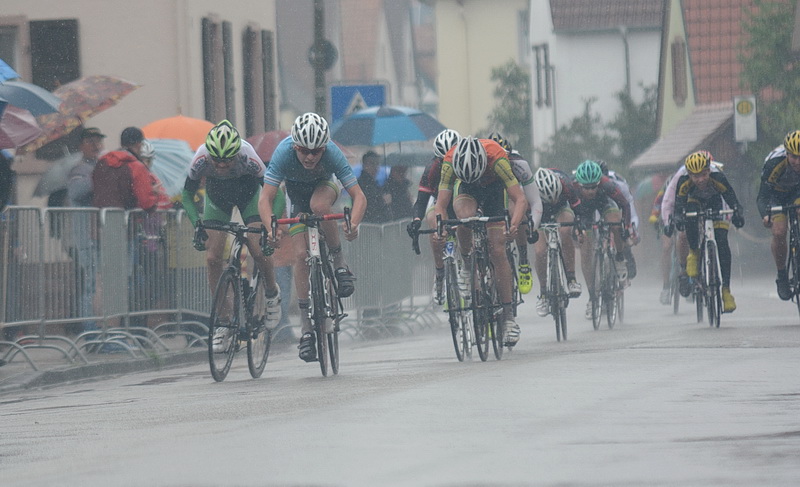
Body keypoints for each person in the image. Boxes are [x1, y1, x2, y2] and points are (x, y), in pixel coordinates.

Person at [258, 112, 366, 363]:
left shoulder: (332, 153)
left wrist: (353, 224)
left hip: (324, 187)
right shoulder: (283, 153)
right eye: (304, 151)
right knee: (300, 255)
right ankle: (306, 328)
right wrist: (270, 229)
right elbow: (265, 199)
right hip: (296, 196)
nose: (309, 157)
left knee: (319, 206)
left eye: (316, 152)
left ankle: (339, 263)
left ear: (324, 148)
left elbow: (359, 196)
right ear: (295, 146)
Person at [183, 119, 284, 352]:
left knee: (258, 249)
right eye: (216, 160)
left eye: (227, 160)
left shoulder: (248, 155)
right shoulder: (200, 157)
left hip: (249, 196)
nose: (220, 165)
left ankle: (271, 292)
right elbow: (187, 195)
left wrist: (271, 227)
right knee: (212, 258)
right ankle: (224, 322)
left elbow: (275, 194)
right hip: (217, 198)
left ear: (237, 154)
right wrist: (196, 224)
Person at [433, 136, 528, 346]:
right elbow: (440, 205)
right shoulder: (449, 161)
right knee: (464, 218)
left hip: (494, 190)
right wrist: (440, 227)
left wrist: (513, 225)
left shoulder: (498, 158)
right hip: (466, 190)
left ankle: (509, 317)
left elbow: (520, 199)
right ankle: (467, 264)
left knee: (497, 250)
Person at [673, 151, 744, 312]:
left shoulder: (718, 176)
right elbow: (679, 206)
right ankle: (694, 253)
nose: (700, 180)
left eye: (704, 174)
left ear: (709, 170)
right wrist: (677, 218)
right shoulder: (683, 180)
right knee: (690, 214)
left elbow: (731, 199)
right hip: (694, 201)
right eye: (695, 176)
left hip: (715, 202)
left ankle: (726, 291)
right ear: (689, 174)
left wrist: (737, 213)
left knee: (722, 241)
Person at [571, 160, 632, 320]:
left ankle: (619, 258)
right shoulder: (573, 187)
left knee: (615, 225)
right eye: (586, 187)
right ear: (579, 184)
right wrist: (576, 230)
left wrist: (625, 227)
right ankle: (592, 298)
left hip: (604, 203)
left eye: (594, 187)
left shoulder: (607, 185)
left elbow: (625, 205)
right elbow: (571, 213)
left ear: (599, 182)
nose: (590, 191)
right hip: (584, 210)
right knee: (585, 251)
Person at [407, 128, 461, 305]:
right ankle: (440, 272)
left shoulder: (466, 162)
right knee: (433, 220)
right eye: (443, 160)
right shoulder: (432, 168)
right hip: (440, 203)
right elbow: (422, 201)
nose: (448, 165)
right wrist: (416, 220)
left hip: (461, 203)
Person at [661, 151, 722, 298]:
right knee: (683, 235)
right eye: (696, 173)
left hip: (710, 201)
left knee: (720, 231)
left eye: (704, 172)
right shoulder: (681, 174)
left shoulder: (716, 172)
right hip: (688, 201)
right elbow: (668, 201)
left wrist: (728, 217)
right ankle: (683, 270)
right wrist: (668, 221)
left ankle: (712, 264)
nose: (701, 176)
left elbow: (725, 197)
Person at [488, 132, 543, 295]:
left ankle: (523, 261)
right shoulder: (480, 163)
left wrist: (532, 227)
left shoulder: (519, 164)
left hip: (511, 191)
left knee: (516, 208)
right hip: (490, 193)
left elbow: (535, 201)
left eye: (504, 158)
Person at [532, 167, 582, 316]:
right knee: (540, 251)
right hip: (539, 211)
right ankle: (543, 294)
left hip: (561, 208)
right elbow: (528, 218)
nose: (552, 200)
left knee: (565, 232)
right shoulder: (529, 191)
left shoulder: (566, 184)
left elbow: (577, 208)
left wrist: (579, 227)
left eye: (555, 196)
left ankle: (571, 279)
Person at [757, 130, 800, 300]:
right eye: (794, 157)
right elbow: (762, 196)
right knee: (779, 232)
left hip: (797, 192)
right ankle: (782, 275)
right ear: (787, 153)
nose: (798, 162)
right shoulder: (774, 163)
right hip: (776, 196)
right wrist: (765, 215)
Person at [597, 160, 639, 280]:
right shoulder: (592, 187)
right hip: (600, 204)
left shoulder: (619, 185)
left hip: (617, 203)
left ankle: (626, 252)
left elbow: (630, 209)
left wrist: (631, 230)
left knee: (621, 230)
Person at [358, 150, 389, 223]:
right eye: (372, 164)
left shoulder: (373, 183)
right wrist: (383, 200)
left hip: (373, 222)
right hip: (368, 223)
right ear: (364, 165)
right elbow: (370, 204)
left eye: (377, 164)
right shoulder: (362, 183)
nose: (375, 167)